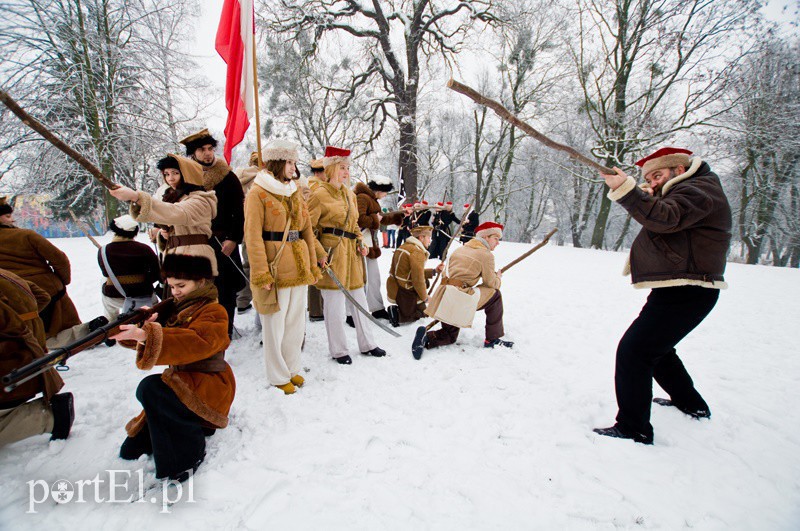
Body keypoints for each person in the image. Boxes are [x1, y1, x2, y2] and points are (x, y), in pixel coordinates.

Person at [593, 147, 732, 445]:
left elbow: (665, 218)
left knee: (634, 351)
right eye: (649, 178)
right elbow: (666, 216)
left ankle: (634, 428)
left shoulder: (698, 191)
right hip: (681, 288)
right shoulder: (694, 190)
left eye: (658, 175)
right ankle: (692, 405)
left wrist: (629, 192)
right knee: (658, 350)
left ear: (679, 170)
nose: (653, 183)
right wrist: (644, 194)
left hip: (691, 289)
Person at [112, 254, 236, 482]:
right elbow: (153, 336)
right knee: (131, 449)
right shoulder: (177, 306)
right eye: (171, 286)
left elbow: (198, 341)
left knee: (150, 388)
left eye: (181, 285)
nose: (175, 291)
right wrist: (139, 329)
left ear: (201, 282)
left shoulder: (214, 310)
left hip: (209, 386)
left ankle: (185, 459)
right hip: (183, 382)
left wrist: (146, 334)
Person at [243, 139, 322, 394]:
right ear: (277, 163)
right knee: (274, 326)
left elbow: (306, 229)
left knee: (295, 324)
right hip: (275, 269)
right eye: (289, 162)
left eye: (294, 162)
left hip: (298, 267)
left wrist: (312, 262)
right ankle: (277, 376)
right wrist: (260, 272)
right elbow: (252, 236)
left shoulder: (295, 189)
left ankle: (292, 369)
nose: (293, 167)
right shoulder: (258, 192)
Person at [308, 146, 386, 364]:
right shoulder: (318, 195)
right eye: (342, 167)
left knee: (360, 300)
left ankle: (367, 344)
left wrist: (361, 243)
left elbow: (354, 225)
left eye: (348, 167)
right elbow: (309, 231)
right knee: (334, 306)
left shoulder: (350, 195)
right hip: (332, 256)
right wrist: (320, 253)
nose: (346, 172)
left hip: (352, 256)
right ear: (331, 168)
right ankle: (339, 350)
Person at [413, 221, 513, 359]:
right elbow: (491, 283)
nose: (498, 243)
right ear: (486, 237)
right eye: (496, 238)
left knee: (450, 335)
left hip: (445, 294)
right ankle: (492, 339)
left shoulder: (460, 249)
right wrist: (498, 277)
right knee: (495, 295)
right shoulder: (486, 255)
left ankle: (427, 338)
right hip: (460, 297)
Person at [181, 129, 246, 338]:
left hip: (222, 242)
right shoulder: (184, 178)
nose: (208, 153)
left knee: (225, 289)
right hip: (193, 242)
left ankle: (225, 330)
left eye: (210, 149)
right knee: (197, 288)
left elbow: (239, 210)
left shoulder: (227, 176)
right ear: (193, 153)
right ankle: (201, 328)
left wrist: (234, 238)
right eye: (202, 150)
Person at [109, 154, 218, 276]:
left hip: (196, 258)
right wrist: (164, 235)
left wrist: (135, 196)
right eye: (166, 174)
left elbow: (176, 212)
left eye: (175, 173)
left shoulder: (201, 200)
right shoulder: (172, 197)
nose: (170, 178)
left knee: (197, 294)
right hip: (175, 258)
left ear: (188, 174)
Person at [0, 268, 74, 447]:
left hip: (12, 370)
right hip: (31, 357)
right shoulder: (6, 273)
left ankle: (48, 418)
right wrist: (30, 320)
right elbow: (43, 295)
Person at [0, 197, 82, 338]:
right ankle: (77, 336)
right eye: (7, 216)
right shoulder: (26, 235)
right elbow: (59, 259)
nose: (12, 219)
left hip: (13, 295)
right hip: (47, 290)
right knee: (65, 327)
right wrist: (62, 281)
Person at [354, 175, 406, 320]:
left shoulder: (371, 199)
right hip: (359, 244)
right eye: (385, 192)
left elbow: (379, 218)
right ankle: (352, 313)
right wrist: (375, 220)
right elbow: (358, 219)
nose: (385, 195)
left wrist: (398, 216)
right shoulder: (363, 198)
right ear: (379, 190)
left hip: (369, 244)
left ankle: (376, 308)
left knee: (374, 278)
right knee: (360, 280)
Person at [97, 214, 160, 320]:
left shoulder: (103, 251)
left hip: (115, 298)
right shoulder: (145, 249)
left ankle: (111, 324)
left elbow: (105, 273)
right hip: (145, 297)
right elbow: (156, 273)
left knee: (104, 284)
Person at [386, 225, 443, 326]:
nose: (430, 240)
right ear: (421, 237)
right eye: (429, 237)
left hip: (396, 285)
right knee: (420, 314)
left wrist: (434, 271)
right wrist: (425, 297)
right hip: (404, 290)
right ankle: (396, 313)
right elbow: (417, 279)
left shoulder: (405, 246)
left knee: (424, 311)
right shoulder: (416, 252)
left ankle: (412, 305)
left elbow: (412, 272)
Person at [234, 151, 262, 315]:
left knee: (248, 264)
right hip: (258, 227)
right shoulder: (262, 178)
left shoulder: (241, 177)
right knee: (258, 266)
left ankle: (242, 300)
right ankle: (257, 301)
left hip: (246, 227)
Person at [306, 158, 326, 322]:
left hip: (320, 236)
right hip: (315, 236)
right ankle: (316, 310)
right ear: (318, 172)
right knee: (315, 273)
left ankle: (318, 308)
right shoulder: (314, 189)